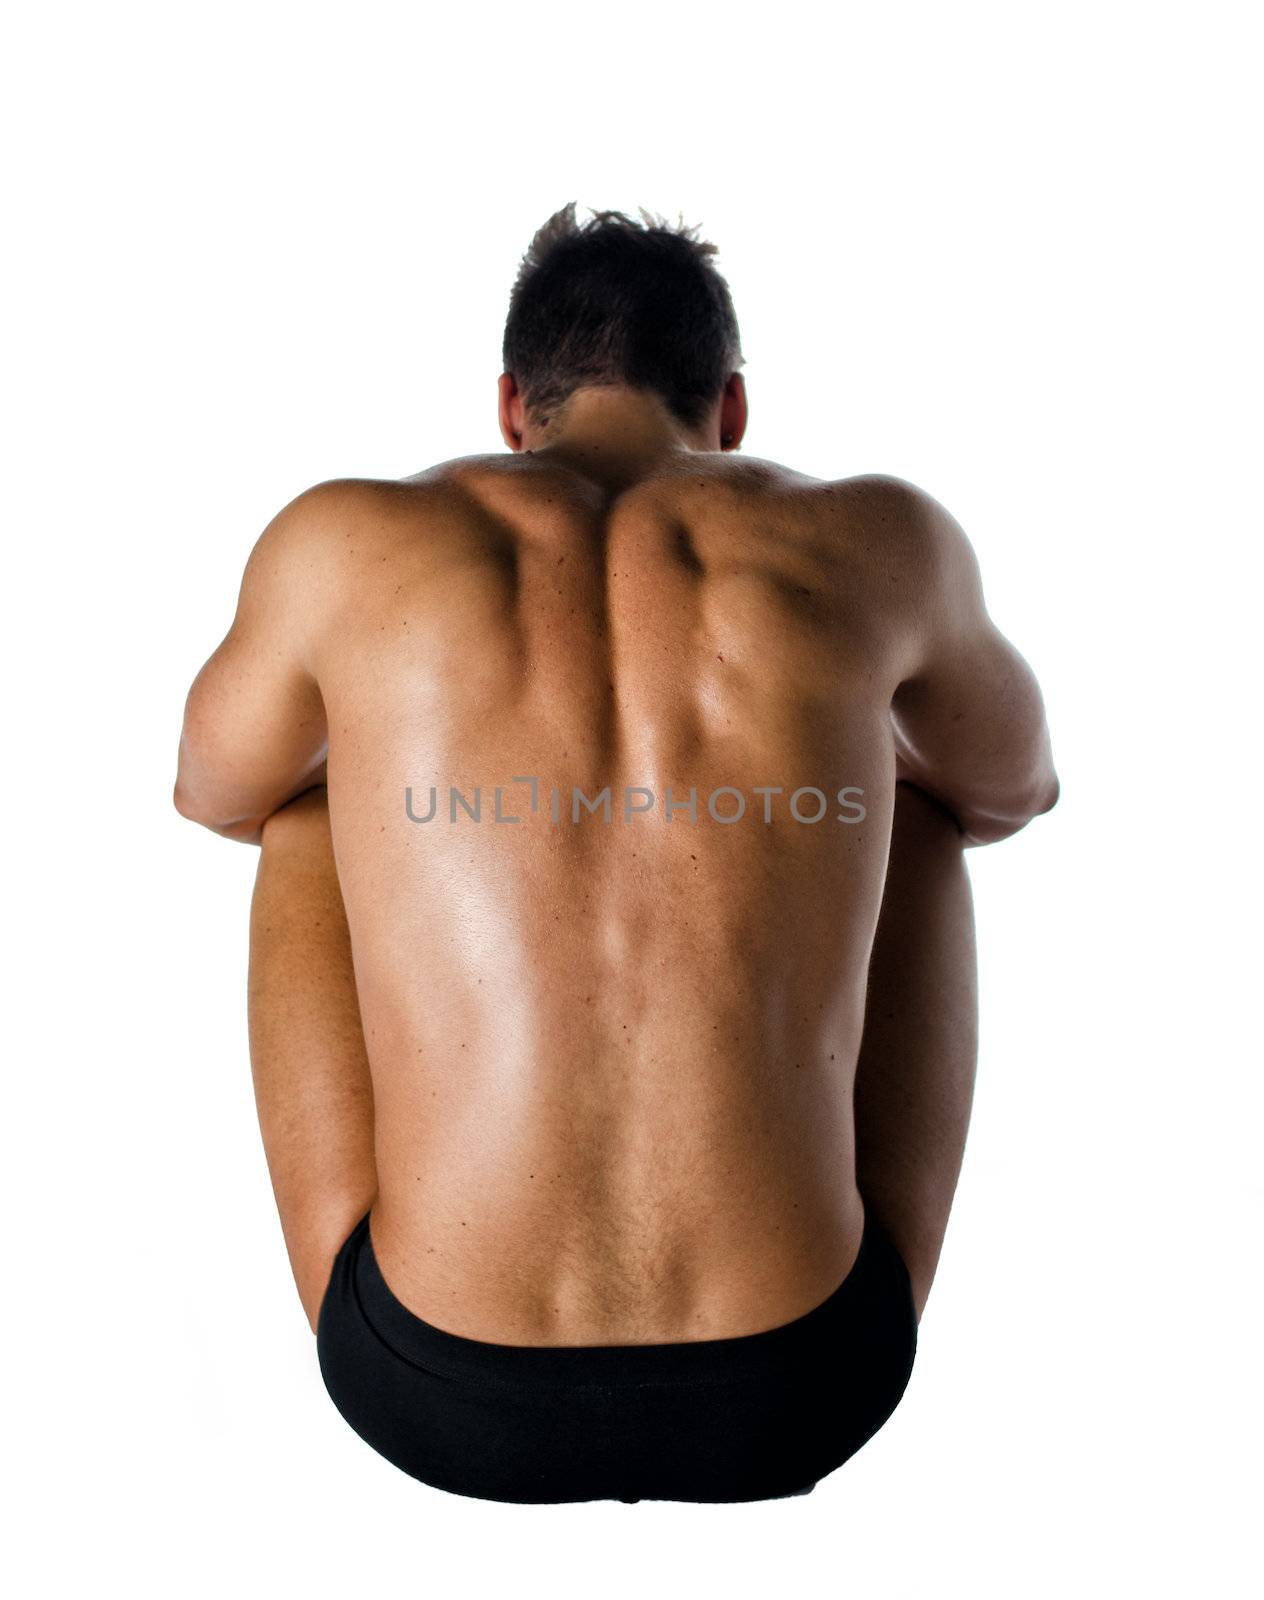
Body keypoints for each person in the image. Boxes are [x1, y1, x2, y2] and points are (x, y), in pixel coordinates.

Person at [174, 202, 1058, 1504]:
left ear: (509, 405)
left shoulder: (336, 541)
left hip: (432, 1389)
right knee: (922, 806)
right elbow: (1012, 790)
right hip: (806, 1381)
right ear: (734, 408)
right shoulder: (886, 540)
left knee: (303, 802)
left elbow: (212, 794)